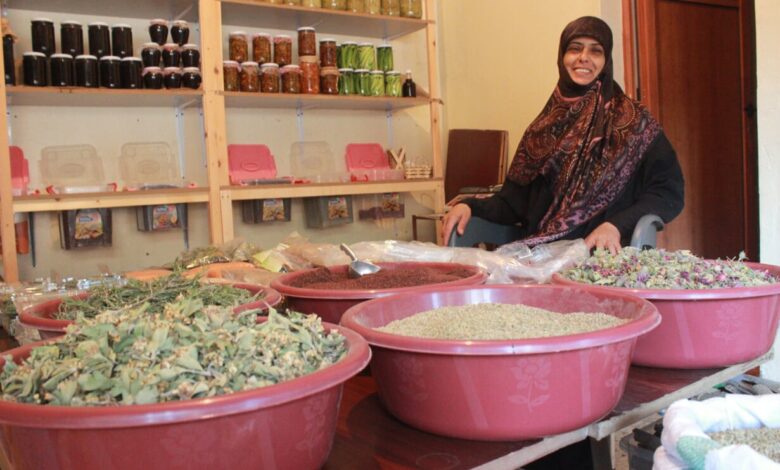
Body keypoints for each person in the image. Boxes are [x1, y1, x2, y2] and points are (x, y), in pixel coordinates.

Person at [442, 16, 684, 254]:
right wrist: (469, 206)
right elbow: (512, 204)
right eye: (575, 48)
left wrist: (616, 226)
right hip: (541, 257)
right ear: (562, 57)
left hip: (604, 258)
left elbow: (668, 192)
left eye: (596, 51)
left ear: (606, 60)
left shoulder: (634, 123)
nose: (584, 57)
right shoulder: (543, 128)